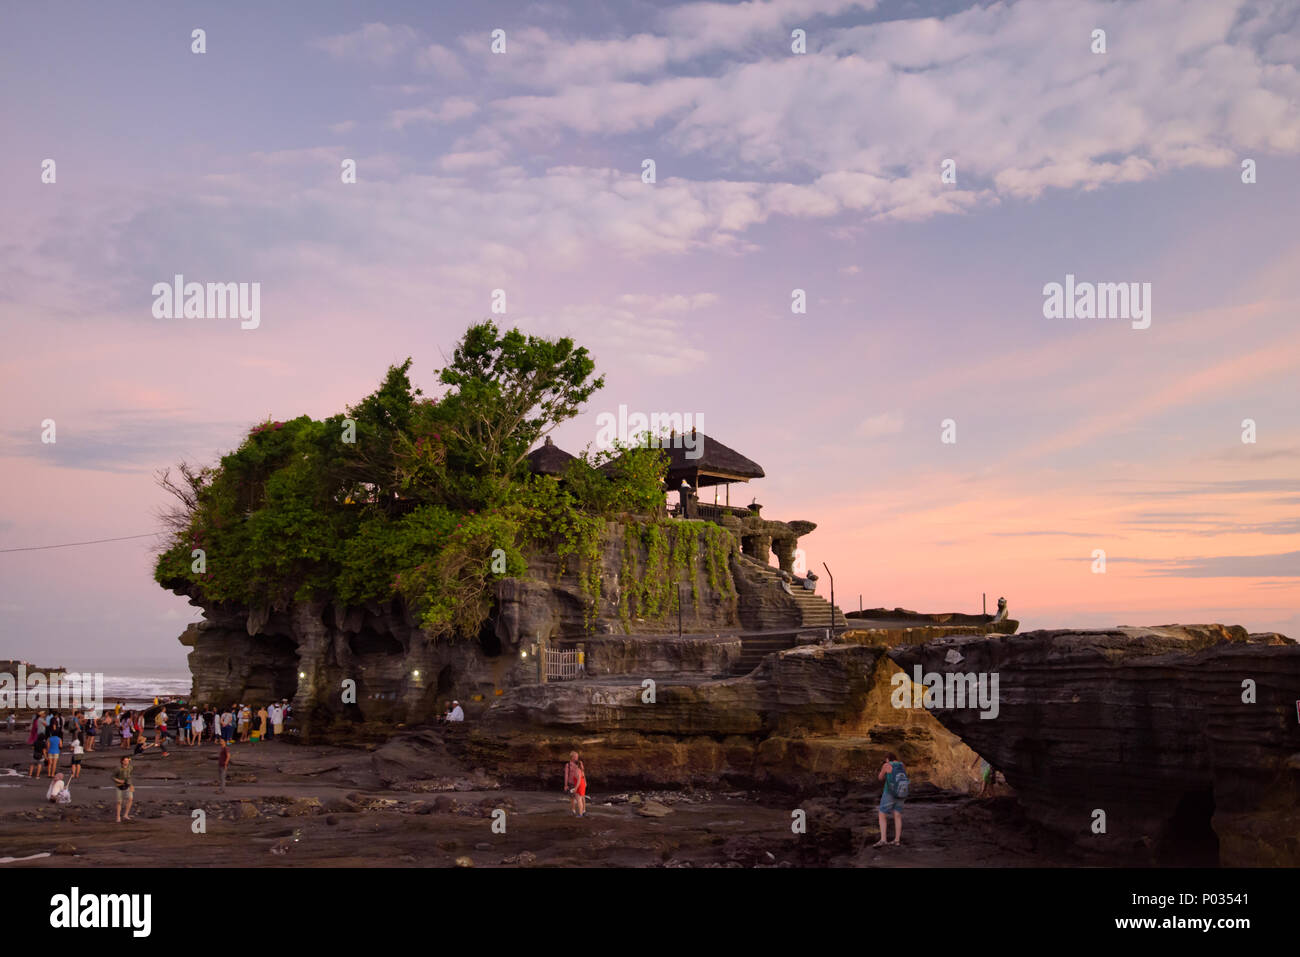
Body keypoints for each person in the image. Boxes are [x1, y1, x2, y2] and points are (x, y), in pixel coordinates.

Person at [873, 752, 907, 847]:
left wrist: (883, 772)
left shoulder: (887, 765)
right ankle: (897, 840)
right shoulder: (901, 764)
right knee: (897, 814)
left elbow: (880, 777)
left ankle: (883, 840)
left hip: (890, 792)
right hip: (901, 791)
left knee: (882, 813)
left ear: (887, 759)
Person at [564, 751, 587, 817]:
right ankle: (573, 810)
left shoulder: (580, 763)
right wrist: (566, 785)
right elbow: (566, 775)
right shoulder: (568, 765)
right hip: (571, 782)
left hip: (579, 782)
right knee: (572, 797)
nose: (577, 757)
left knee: (582, 797)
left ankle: (583, 811)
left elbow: (583, 772)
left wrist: (585, 781)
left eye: (577, 756)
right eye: (575, 756)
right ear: (572, 757)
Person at [113, 756, 135, 822]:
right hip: (119, 786)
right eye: (125, 761)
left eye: (128, 761)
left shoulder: (130, 767)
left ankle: (126, 814)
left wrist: (131, 785)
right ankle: (118, 817)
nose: (127, 762)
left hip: (127, 785)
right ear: (122, 761)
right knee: (119, 802)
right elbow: (112, 777)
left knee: (130, 799)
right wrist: (119, 781)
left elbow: (129, 776)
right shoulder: (118, 768)